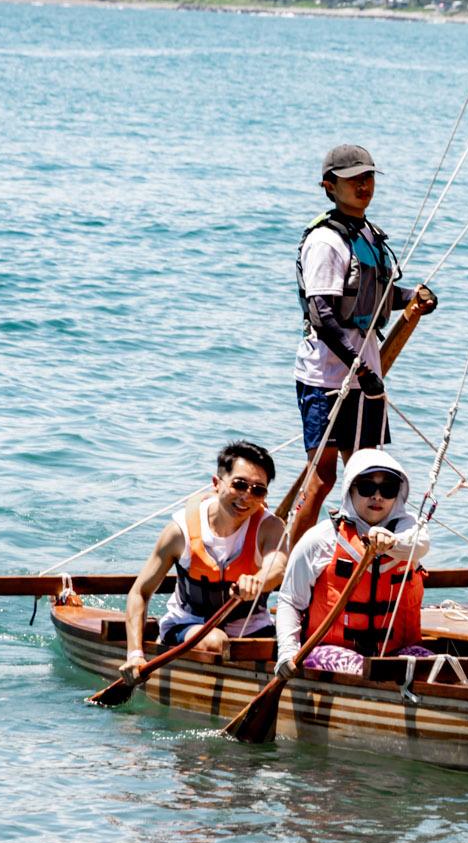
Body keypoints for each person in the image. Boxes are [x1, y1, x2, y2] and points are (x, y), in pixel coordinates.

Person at [291, 143, 435, 539]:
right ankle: (287, 568)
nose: (363, 185)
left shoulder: (369, 235)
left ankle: (353, 561)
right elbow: (322, 315)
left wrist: (415, 297)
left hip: (365, 377)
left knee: (366, 476)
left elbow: (378, 295)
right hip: (326, 378)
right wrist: (364, 369)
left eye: (368, 177)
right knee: (322, 479)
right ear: (329, 186)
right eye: (353, 179)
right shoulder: (324, 241)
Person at [119, 440, 290, 679]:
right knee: (216, 642)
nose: (246, 497)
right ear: (216, 483)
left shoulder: (270, 527)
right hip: (188, 625)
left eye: (257, 490)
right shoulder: (180, 532)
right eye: (239, 485)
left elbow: (278, 567)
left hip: (253, 630)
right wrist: (135, 654)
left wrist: (258, 580)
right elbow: (139, 592)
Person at [273, 448, 439, 677]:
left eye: (388, 489)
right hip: (330, 651)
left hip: (393, 653)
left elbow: (420, 544)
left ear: (398, 494)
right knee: (363, 669)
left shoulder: (410, 534)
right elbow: (289, 601)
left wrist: (391, 543)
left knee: (439, 667)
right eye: (367, 487)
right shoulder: (321, 539)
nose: (377, 496)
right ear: (350, 490)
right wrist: (287, 653)